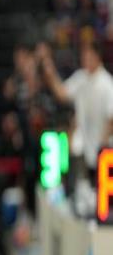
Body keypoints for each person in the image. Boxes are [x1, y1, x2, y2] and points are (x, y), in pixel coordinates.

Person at [39, 40, 113, 184]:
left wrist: (102, 145)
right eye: (83, 55)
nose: (85, 58)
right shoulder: (81, 78)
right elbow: (62, 93)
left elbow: (112, 118)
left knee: (102, 194)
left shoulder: (107, 84)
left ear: (97, 56)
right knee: (82, 188)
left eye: (88, 54)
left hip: (104, 152)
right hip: (84, 148)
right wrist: (50, 72)